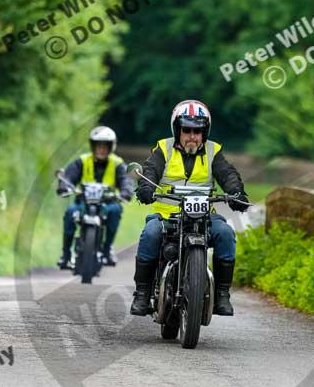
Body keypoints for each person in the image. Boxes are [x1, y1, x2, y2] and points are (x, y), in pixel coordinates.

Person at [130, 100, 249, 317]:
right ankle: (142, 294)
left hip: (202, 216)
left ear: (205, 132)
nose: (192, 136)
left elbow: (227, 174)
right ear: (178, 130)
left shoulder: (214, 151)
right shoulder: (163, 148)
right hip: (167, 215)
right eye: (187, 130)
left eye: (198, 131)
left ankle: (222, 295)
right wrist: (146, 187)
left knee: (225, 234)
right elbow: (150, 170)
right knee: (150, 234)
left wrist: (237, 192)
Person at [57, 126, 133, 269]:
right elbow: (69, 176)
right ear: (93, 146)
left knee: (116, 211)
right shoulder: (82, 161)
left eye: (105, 146)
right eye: (98, 145)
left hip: (107, 203)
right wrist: (64, 185)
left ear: (111, 147)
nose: (102, 149)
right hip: (83, 203)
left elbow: (126, 179)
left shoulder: (117, 163)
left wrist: (126, 191)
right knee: (70, 213)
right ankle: (65, 253)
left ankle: (107, 248)